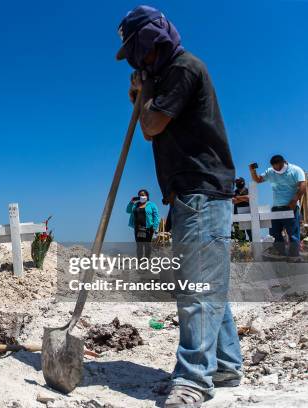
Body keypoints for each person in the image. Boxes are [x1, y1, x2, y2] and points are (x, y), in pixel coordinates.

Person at [116, 6, 242, 407]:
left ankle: (194, 380)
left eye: (136, 53)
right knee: (206, 283)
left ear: (149, 43)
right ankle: (224, 364)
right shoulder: (167, 74)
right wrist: (143, 96)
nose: (135, 63)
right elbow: (154, 133)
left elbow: (152, 126)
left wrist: (142, 96)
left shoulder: (183, 68)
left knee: (195, 289)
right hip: (191, 191)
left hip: (201, 188)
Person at [250, 155, 306, 260]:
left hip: (291, 206)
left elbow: (303, 185)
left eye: (278, 166)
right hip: (276, 207)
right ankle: (282, 254)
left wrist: (295, 200)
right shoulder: (270, 171)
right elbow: (257, 180)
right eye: (274, 167)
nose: (276, 169)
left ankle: (294, 256)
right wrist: (252, 170)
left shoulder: (295, 170)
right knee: (274, 232)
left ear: (283, 162)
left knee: (292, 233)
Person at [126, 189, 160, 258]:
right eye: (140, 195)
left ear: (147, 196)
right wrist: (131, 202)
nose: (141, 196)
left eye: (143, 195)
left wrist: (154, 227)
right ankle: (140, 262)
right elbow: (128, 211)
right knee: (139, 246)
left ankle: (146, 262)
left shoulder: (152, 205)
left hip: (148, 228)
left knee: (147, 246)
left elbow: (156, 217)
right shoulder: (135, 205)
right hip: (137, 228)